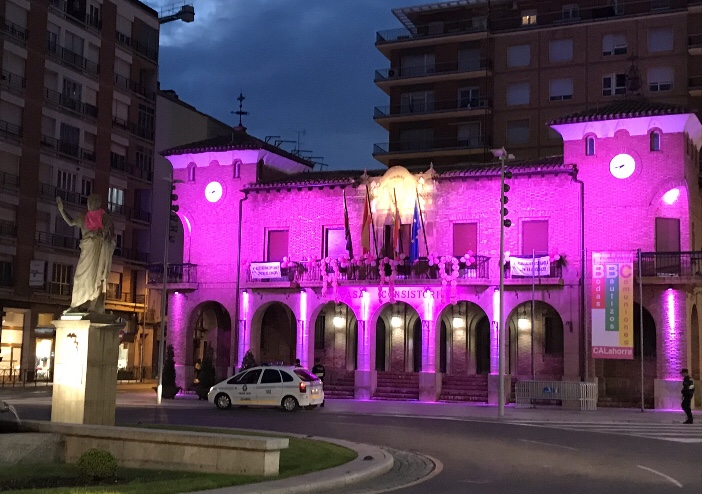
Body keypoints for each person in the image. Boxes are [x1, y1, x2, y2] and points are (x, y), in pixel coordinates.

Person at [56, 194, 116, 313]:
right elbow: (71, 222)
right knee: (79, 277)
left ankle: (92, 304)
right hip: (86, 251)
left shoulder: (106, 219)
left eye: (91, 202)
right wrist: (62, 210)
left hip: (98, 252)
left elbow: (111, 237)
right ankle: (76, 304)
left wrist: (104, 238)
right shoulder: (83, 217)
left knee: (94, 279)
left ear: (97, 203)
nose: (89, 204)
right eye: (88, 202)